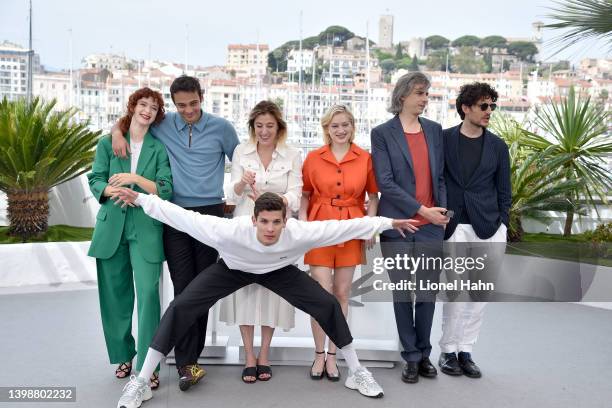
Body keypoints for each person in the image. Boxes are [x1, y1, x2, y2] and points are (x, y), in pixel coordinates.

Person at [112, 190, 420, 407]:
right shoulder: (227, 230)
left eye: (277, 222)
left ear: (286, 220)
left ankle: (356, 371)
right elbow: (180, 216)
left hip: (279, 270)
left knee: (326, 304)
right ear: (254, 220)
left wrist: (386, 223)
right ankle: (140, 381)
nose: (270, 229)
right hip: (232, 269)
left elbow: (343, 227)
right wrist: (141, 199)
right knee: (181, 306)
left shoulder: (298, 233)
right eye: (264, 222)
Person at [110, 75, 239, 391]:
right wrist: (116, 132)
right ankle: (186, 364)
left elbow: (245, 159)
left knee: (203, 290)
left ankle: (189, 362)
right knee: (184, 290)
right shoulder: (164, 125)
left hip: (210, 215)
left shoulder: (222, 128)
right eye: (181, 105)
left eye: (193, 103)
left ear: (202, 97)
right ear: (173, 104)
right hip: (175, 216)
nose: (188, 110)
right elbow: (133, 123)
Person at [87, 87, 173, 390]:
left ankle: (148, 366)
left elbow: (164, 188)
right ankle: (123, 354)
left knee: (149, 296)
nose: (147, 111)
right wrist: (114, 191)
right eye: (143, 104)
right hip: (112, 227)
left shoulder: (158, 149)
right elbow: (95, 179)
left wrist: (134, 182)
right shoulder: (107, 144)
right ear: (133, 106)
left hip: (146, 228)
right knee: (115, 297)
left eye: (154, 107)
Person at [370, 72, 449, 384]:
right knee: (403, 293)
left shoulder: (434, 130)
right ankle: (411, 357)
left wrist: (439, 213)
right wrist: (422, 211)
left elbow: (439, 176)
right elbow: (385, 184)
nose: (424, 98)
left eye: (426, 93)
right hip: (399, 226)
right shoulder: (382, 133)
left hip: (432, 227)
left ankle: (425, 354)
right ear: (402, 96)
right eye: (419, 93)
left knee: (427, 293)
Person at [219, 100, 303, 383]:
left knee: (271, 292)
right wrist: (242, 182)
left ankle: (264, 355)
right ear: (252, 127)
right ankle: (249, 356)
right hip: (245, 230)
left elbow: (295, 194)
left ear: (279, 126)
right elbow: (231, 195)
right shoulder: (241, 152)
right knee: (244, 291)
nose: (264, 131)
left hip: (276, 232)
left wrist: (274, 203)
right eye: (259, 126)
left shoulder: (291, 154)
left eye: (269, 126)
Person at [299, 105, 378, 381]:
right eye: (335, 126)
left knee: (342, 293)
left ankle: (334, 355)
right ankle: (318, 354)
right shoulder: (313, 157)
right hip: (320, 227)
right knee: (321, 293)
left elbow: (373, 196)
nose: (341, 130)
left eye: (345, 124)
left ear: (352, 126)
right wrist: (303, 227)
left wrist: (370, 225)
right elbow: (305, 196)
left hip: (351, 227)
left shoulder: (364, 158)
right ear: (326, 129)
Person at [438, 82, 511, 379]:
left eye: (492, 106)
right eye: (483, 106)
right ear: (465, 108)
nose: (489, 111)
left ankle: (466, 350)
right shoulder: (442, 140)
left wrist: (502, 222)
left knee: (479, 295)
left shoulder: (497, 146)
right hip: (454, 225)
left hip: (489, 227)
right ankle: (447, 351)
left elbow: (505, 190)